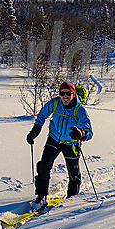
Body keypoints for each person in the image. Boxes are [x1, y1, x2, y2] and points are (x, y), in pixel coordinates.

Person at [26, 82, 93, 210]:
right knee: (43, 165)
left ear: (73, 94)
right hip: (54, 139)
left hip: (71, 143)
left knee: (73, 171)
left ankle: (72, 195)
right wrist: (34, 132)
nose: (65, 96)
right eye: (62, 93)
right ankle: (41, 196)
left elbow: (89, 132)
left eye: (69, 93)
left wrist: (81, 133)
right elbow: (41, 116)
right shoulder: (55, 103)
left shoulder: (80, 110)